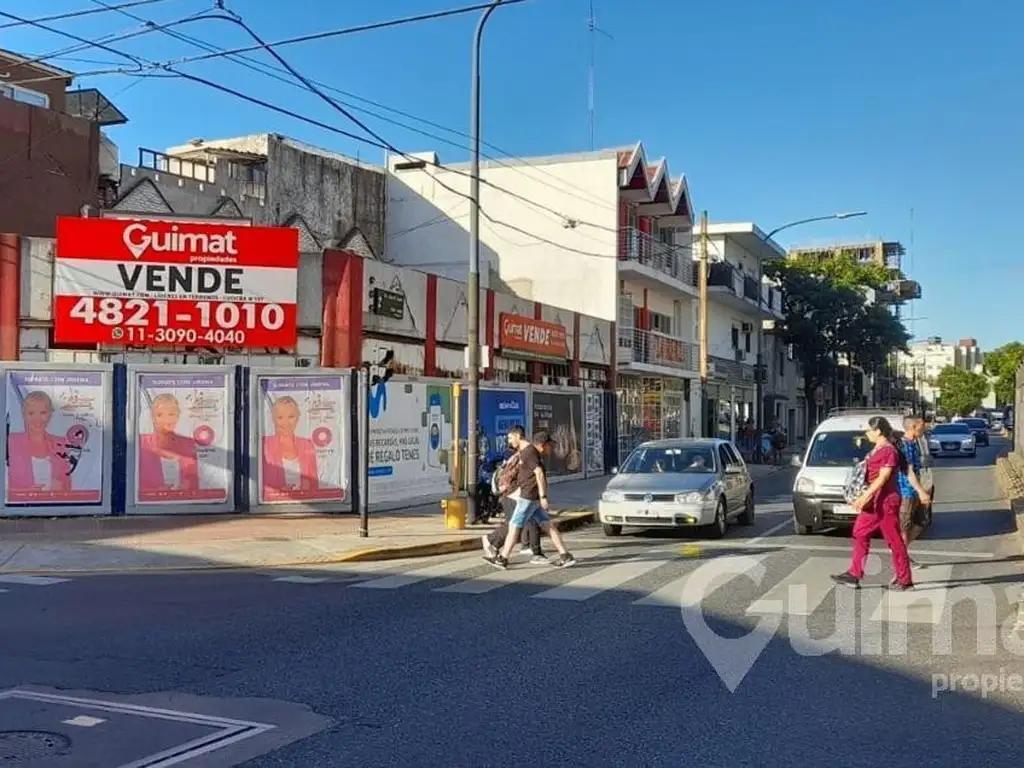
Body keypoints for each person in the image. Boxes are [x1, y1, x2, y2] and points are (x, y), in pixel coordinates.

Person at [831, 416, 914, 590]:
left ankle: (904, 579)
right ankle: (855, 573)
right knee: (861, 532)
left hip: (885, 502)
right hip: (876, 502)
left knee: (893, 540)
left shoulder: (888, 451)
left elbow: (883, 477)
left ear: (878, 431)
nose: (866, 433)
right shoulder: (878, 448)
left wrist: (865, 496)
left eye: (869, 430)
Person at [484, 427, 576, 570]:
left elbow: (538, 473)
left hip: (527, 498)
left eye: (510, 438)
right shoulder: (530, 452)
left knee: (514, 527)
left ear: (517, 436)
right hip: (532, 498)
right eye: (549, 445)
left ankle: (503, 559)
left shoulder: (529, 452)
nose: (549, 449)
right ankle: (565, 556)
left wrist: (543, 496)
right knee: (548, 525)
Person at [481, 434, 546, 565]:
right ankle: (492, 542)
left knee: (523, 523)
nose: (510, 441)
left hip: (518, 495)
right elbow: (532, 475)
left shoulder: (523, 454)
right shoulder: (526, 455)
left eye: (510, 438)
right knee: (516, 524)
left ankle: (532, 551)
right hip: (513, 495)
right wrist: (541, 495)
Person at [6, 390, 73, 493]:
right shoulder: (11, 442)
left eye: (43, 413)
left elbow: (68, 488)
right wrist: (25, 492)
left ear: (50, 415)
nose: (37, 419)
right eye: (31, 413)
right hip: (20, 508)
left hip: (53, 506)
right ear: (24, 415)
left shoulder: (61, 444)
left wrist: (61, 488)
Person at [138, 393, 198, 493]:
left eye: (171, 414)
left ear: (177, 416)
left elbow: (192, 484)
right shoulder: (141, 444)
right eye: (160, 415)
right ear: (153, 418)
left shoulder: (188, 444)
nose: (167, 420)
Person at [262, 396, 320, 495]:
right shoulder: (264, 444)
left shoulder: (307, 445)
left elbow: (314, 485)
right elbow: (257, 483)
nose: (286, 423)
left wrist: (308, 486)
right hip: (273, 505)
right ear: (273, 419)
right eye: (280, 417)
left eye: (291, 417)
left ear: (298, 417)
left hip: (303, 505)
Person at [896, 416, 932, 575]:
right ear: (913, 427)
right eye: (921, 426)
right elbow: (908, 471)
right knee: (906, 526)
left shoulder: (914, 442)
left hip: (917, 489)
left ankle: (902, 552)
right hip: (907, 491)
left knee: (922, 521)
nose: (924, 428)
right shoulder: (904, 445)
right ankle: (900, 564)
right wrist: (921, 491)